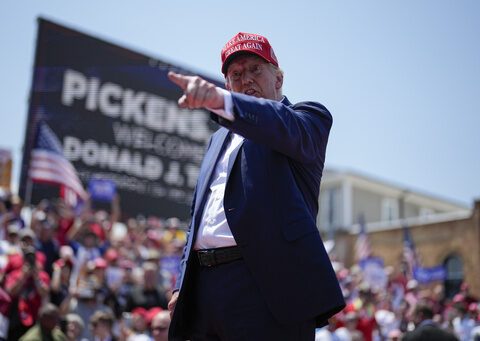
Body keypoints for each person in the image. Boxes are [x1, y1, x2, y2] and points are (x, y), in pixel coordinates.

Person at [167, 32, 345, 340]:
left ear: (279, 78)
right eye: (235, 74)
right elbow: (199, 218)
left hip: (266, 287)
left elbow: (275, 124)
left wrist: (219, 102)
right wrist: (182, 284)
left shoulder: (306, 119)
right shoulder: (217, 140)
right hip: (205, 290)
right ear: (228, 85)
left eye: (255, 69)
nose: (245, 79)